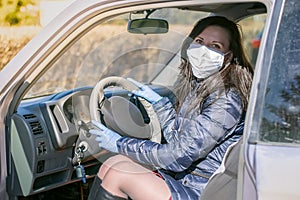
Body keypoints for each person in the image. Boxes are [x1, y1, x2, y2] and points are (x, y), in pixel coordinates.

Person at [87, 16, 253, 200]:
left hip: (203, 190)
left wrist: (119, 143)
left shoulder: (227, 100)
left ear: (227, 57)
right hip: (186, 179)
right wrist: (160, 105)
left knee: (119, 173)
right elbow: (179, 140)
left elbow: (178, 155)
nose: (204, 50)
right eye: (199, 41)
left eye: (215, 46)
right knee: (116, 163)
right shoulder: (200, 88)